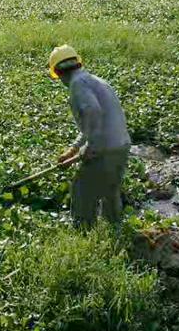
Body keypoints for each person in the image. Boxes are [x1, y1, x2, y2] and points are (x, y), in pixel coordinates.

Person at [50, 45, 131, 227]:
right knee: (110, 192)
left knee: (81, 190)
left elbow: (93, 113)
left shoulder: (77, 84)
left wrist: (91, 147)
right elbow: (93, 123)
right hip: (121, 145)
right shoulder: (94, 80)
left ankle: (83, 231)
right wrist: (73, 149)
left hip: (105, 149)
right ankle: (115, 231)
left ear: (59, 72)